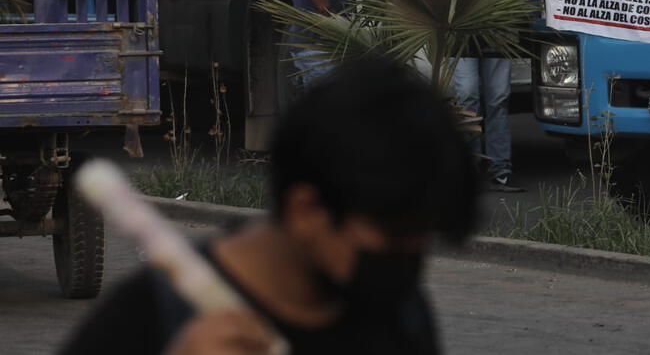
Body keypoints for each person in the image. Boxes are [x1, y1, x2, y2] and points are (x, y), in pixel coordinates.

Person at [58, 56, 479, 355]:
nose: (408, 259)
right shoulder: (146, 320)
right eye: (394, 234)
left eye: (423, 237)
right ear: (307, 210)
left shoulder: (399, 316)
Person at [453, 54, 523, 192]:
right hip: (461, 40)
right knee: (467, 95)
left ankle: (500, 170)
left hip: (495, 38)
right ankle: (470, 167)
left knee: (497, 100)